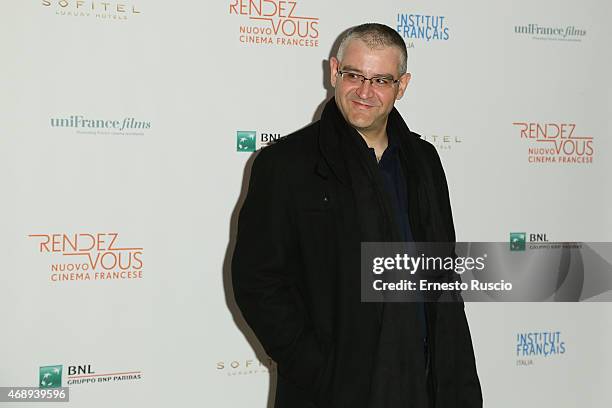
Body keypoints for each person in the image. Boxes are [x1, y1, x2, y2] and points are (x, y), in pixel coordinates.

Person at [232, 23, 482, 408]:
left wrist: (457, 379)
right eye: (354, 75)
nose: (365, 92)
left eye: (381, 79)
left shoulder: (424, 161)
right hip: (334, 392)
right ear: (334, 72)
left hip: (423, 382)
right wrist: (319, 370)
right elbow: (257, 281)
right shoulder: (286, 165)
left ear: (402, 85)